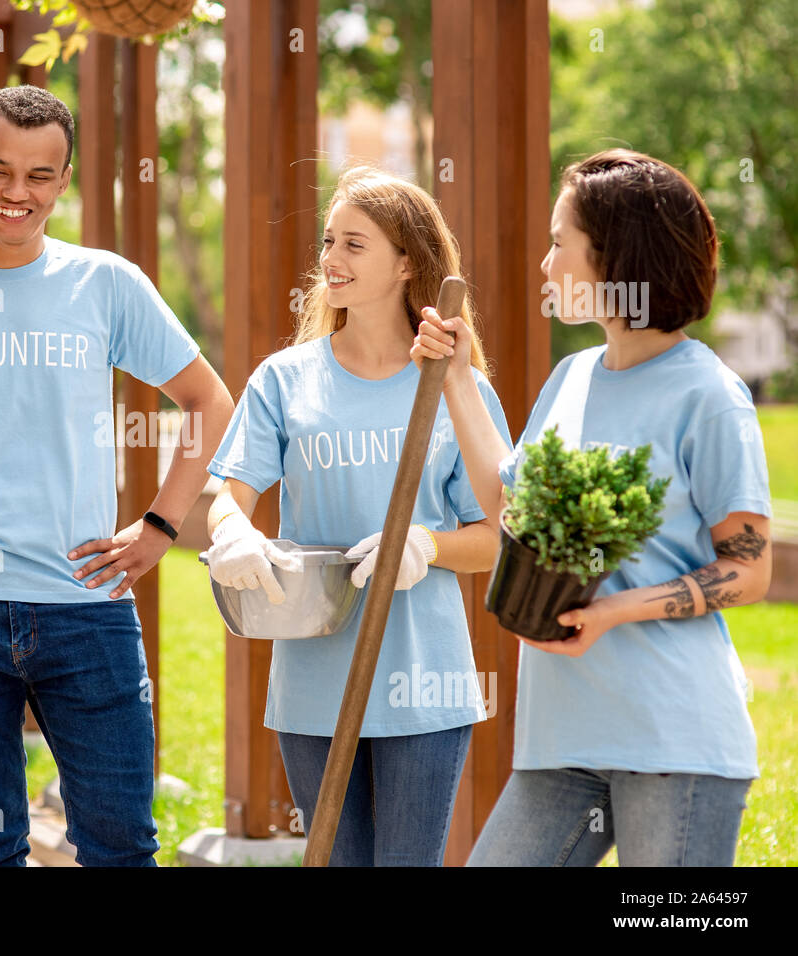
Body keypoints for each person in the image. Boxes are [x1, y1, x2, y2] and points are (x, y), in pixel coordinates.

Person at [0, 85, 233, 867]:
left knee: (122, 843)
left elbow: (208, 400)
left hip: (85, 605)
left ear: (64, 182)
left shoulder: (107, 284)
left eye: (37, 175)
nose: (14, 193)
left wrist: (161, 525)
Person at [412, 149, 771, 866]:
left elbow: (748, 570)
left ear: (614, 258)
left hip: (673, 739)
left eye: (557, 242)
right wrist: (454, 377)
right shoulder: (572, 377)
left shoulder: (709, 395)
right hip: (562, 739)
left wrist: (612, 611)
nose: (545, 265)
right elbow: (512, 511)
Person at [204, 167, 511, 866]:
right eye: (328, 242)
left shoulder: (457, 386)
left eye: (355, 245)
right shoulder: (285, 380)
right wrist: (231, 533)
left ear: (407, 262)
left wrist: (426, 547)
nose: (331, 261)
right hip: (314, 680)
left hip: (424, 681)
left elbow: (498, 536)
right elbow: (230, 491)